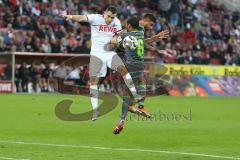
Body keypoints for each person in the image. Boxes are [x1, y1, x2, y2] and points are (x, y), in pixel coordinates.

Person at [60, 6, 142, 121]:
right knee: (93, 82)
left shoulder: (116, 22)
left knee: (123, 70)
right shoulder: (95, 18)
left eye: (112, 17)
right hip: (96, 55)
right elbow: (82, 18)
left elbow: (116, 38)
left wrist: (118, 42)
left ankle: (135, 95)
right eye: (108, 16)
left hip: (109, 53)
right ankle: (95, 111)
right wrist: (71, 16)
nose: (110, 19)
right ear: (104, 13)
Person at [110, 15, 169, 134]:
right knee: (141, 81)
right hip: (136, 64)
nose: (151, 27)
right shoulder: (139, 32)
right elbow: (141, 43)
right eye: (151, 24)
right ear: (145, 21)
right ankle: (139, 106)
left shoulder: (127, 34)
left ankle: (123, 119)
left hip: (128, 64)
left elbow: (115, 43)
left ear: (129, 26)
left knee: (129, 91)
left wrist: (116, 37)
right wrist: (155, 40)